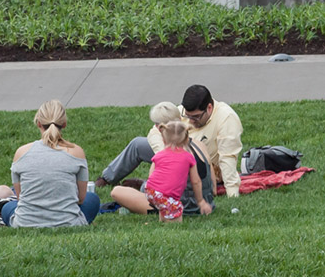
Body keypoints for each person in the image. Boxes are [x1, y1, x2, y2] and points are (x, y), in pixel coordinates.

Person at [99, 85, 243, 209]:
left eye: (196, 117)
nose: (191, 121)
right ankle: (107, 178)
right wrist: (166, 155)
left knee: (144, 190)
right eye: (188, 117)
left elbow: (228, 157)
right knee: (138, 144)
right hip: (176, 156)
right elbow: (155, 131)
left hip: (198, 166)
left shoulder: (226, 118)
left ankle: (142, 185)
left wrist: (232, 193)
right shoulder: (180, 112)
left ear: (209, 108)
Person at [1, 101, 101, 228]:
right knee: (92, 199)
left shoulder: (21, 152)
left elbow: (21, 198)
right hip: (68, 222)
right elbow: (81, 199)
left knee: (7, 207)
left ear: (38, 123)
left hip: (25, 223)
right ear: (64, 124)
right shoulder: (77, 152)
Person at [109, 119, 211, 223]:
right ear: (186, 139)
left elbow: (151, 177)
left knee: (118, 191)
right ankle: (167, 216)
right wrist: (201, 201)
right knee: (177, 218)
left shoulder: (158, 155)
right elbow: (196, 181)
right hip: (173, 200)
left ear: (163, 140)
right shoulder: (190, 156)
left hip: (151, 192)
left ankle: (162, 215)